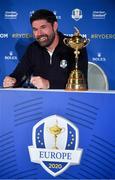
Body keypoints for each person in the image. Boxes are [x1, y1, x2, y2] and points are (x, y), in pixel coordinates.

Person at [3, 9, 88, 89]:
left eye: (43, 27)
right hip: (39, 101)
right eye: (35, 29)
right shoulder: (33, 48)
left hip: (68, 101)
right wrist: (13, 80)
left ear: (54, 26)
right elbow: (20, 73)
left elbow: (79, 83)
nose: (39, 34)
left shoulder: (75, 47)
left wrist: (49, 84)